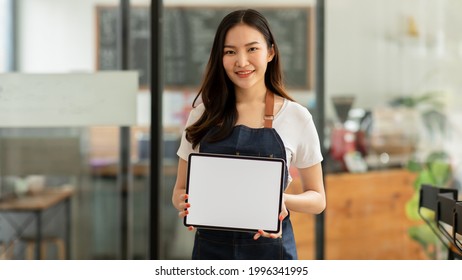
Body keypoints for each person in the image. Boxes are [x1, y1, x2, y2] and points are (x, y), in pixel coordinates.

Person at [171, 8, 325, 260]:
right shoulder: (201, 114)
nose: (241, 62)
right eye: (230, 52)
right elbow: (179, 190)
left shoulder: (296, 116)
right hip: (210, 254)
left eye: (252, 49)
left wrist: (279, 200)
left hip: (272, 255)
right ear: (220, 58)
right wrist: (185, 204)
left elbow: (318, 199)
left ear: (270, 52)